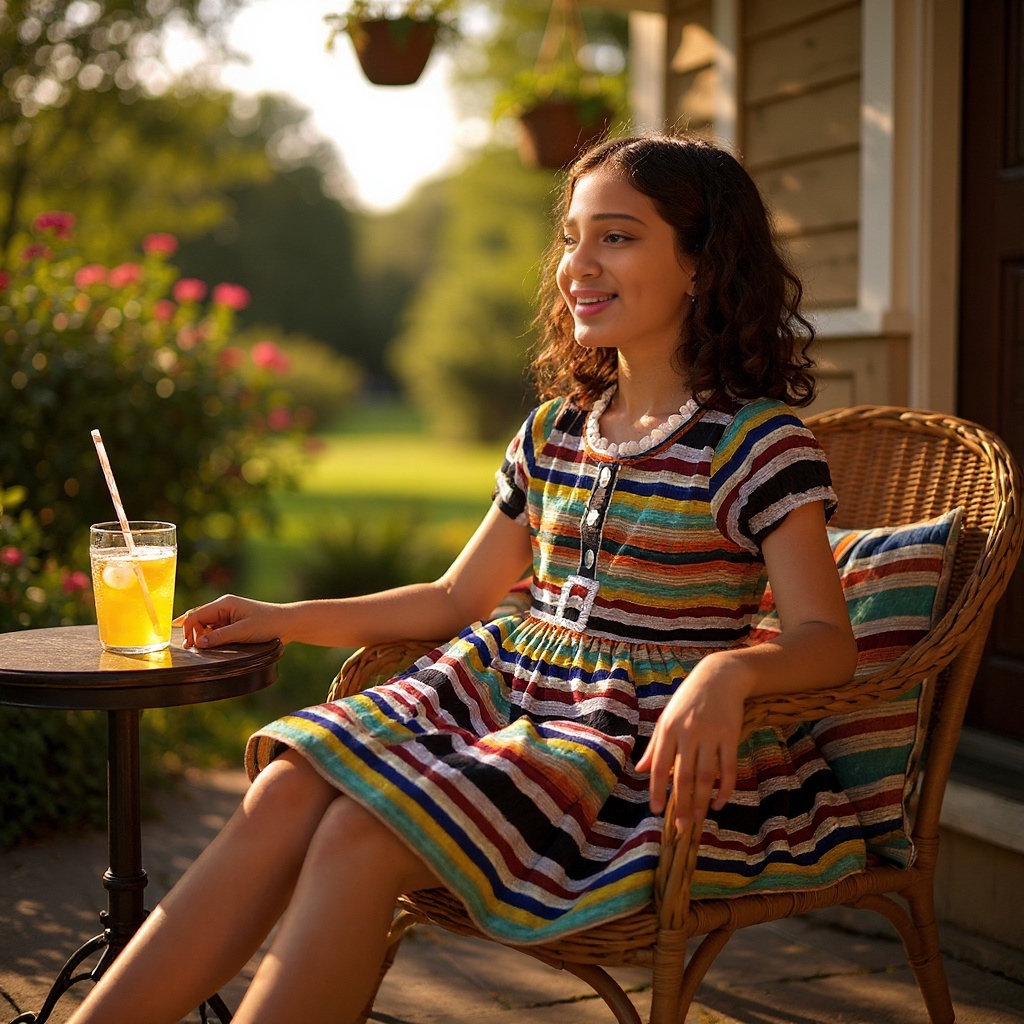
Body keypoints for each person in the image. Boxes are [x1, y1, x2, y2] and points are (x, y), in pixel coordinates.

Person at [68, 132, 859, 1024]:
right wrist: (282, 616)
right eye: (571, 237)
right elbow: (454, 601)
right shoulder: (557, 430)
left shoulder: (759, 446)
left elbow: (827, 643)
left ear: (702, 267)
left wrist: (728, 671)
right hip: (500, 703)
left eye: (619, 237)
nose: (579, 265)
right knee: (288, 783)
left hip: (627, 765)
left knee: (363, 835)